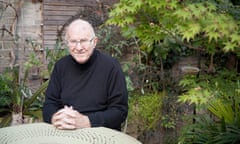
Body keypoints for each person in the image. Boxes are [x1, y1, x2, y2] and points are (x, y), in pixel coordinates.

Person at [42, 18, 128, 131]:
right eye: (73, 41)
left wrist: (88, 121)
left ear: (94, 42)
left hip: (102, 133)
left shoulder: (111, 66)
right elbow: (49, 104)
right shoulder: (61, 66)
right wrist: (55, 118)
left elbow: (120, 111)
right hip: (66, 132)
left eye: (83, 41)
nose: (78, 48)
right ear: (67, 43)